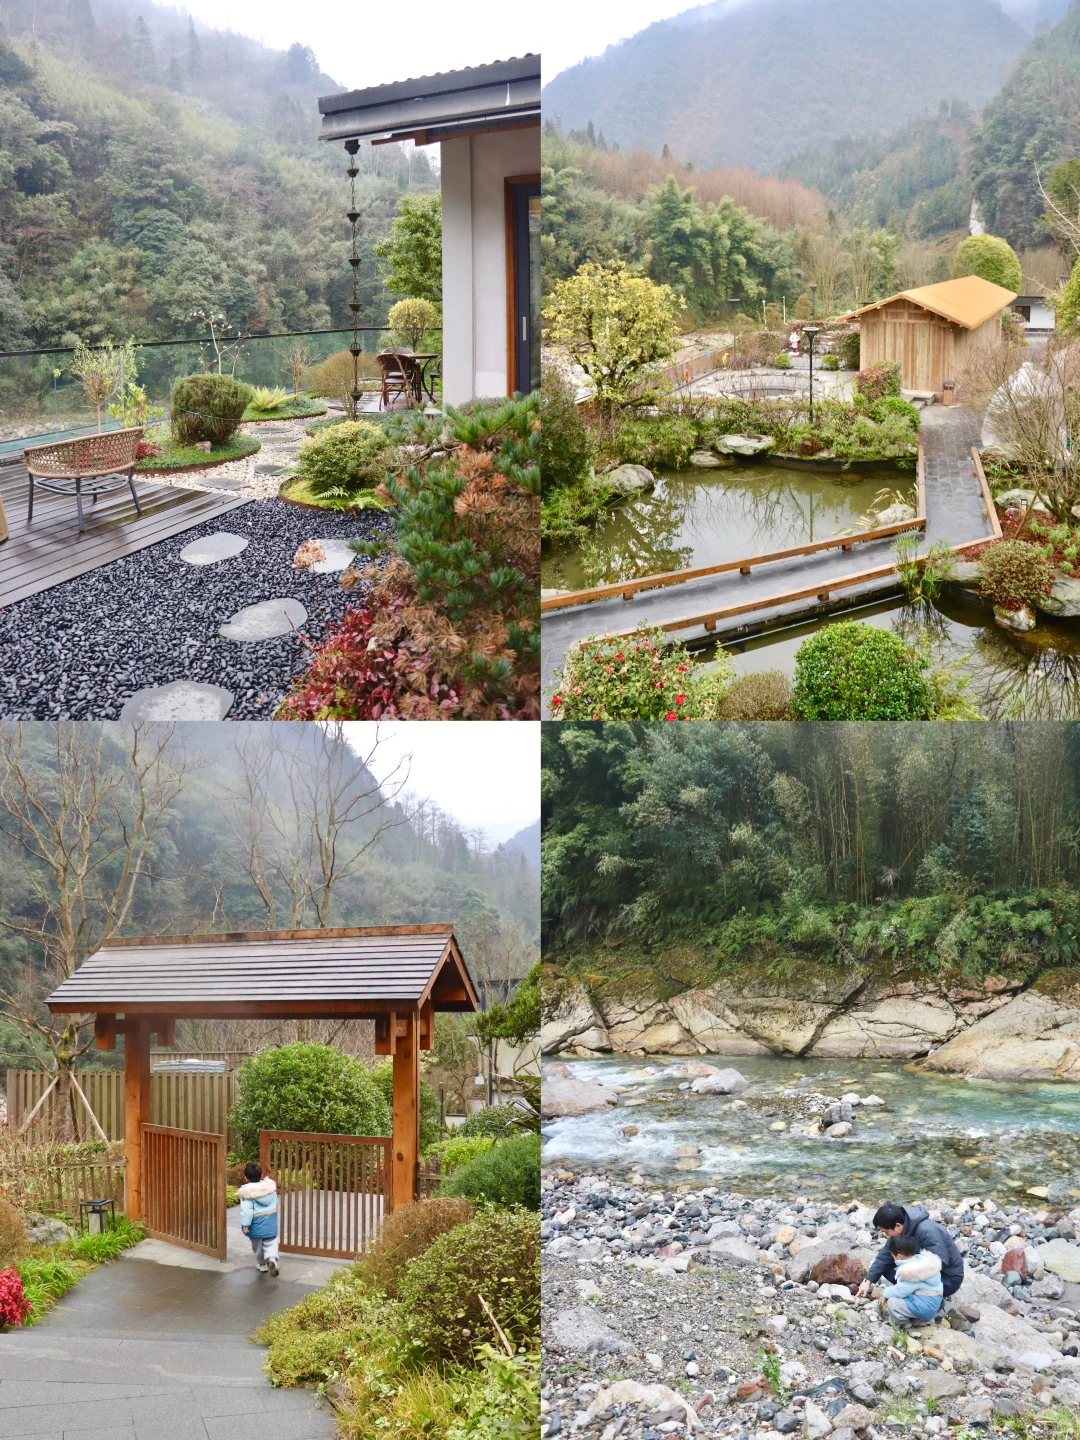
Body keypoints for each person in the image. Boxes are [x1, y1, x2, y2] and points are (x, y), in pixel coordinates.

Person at [856, 1202, 963, 1302]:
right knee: (887, 1268)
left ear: (898, 1226)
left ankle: (928, 1301)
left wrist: (908, 1275)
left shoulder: (927, 1230)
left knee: (902, 1273)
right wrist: (868, 1282)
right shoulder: (899, 1232)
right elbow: (884, 1257)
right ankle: (910, 1292)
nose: (886, 1236)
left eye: (886, 1232)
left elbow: (938, 1262)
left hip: (947, 1279)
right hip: (924, 1271)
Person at [879, 1234, 944, 1327]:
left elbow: (900, 1291)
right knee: (904, 1295)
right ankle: (919, 1321)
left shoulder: (911, 1272)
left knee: (893, 1302)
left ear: (899, 1256)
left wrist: (885, 1293)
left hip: (926, 1307)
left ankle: (903, 1325)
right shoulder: (922, 1261)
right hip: (931, 1303)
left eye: (893, 1256)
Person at [237, 1161, 279, 1276]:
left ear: (246, 1178)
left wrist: (245, 1225)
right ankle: (272, 1259)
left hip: (256, 1225)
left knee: (258, 1246)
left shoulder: (247, 1193)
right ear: (261, 1176)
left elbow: (247, 1211)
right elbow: (275, 1203)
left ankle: (262, 1264)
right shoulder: (270, 1189)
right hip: (270, 1222)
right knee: (271, 1242)